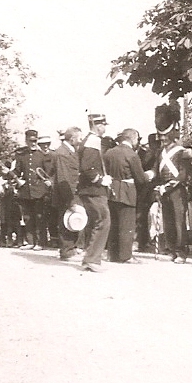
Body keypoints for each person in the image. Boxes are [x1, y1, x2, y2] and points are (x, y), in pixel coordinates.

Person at [103, 128, 154, 263]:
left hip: (112, 190)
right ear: (132, 139)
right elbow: (140, 178)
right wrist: (150, 175)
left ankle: (112, 255)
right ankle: (126, 256)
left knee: (113, 223)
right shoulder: (131, 154)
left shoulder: (109, 153)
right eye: (137, 139)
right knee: (127, 224)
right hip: (127, 191)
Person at [152, 102, 192, 264]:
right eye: (160, 136)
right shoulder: (160, 152)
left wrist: (166, 187)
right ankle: (172, 249)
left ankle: (182, 252)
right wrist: (149, 176)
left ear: (170, 135)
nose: (161, 139)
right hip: (164, 189)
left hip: (177, 190)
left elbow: (183, 175)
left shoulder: (183, 152)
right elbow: (156, 170)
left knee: (178, 221)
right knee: (167, 221)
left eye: (164, 136)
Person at [76, 113, 113, 272]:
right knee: (103, 221)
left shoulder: (89, 140)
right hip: (94, 190)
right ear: (98, 125)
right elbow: (87, 168)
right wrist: (100, 180)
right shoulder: (92, 141)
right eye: (103, 125)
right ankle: (92, 260)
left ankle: (89, 259)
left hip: (89, 189)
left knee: (96, 222)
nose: (104, 128)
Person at [14, 129, 54, 250]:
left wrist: (48, 182)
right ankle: (30, 241)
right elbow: (18, 171)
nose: (33, 143)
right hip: (26, 190)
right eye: (31, 141)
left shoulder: (42, 155)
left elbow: (48, 173)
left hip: (39, 190)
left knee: (39, 217)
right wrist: (9, 174)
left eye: (35, 141)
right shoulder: (22, 155)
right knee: (27, 216)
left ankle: (40, 242)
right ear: (26, 140)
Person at [53, 127, 84, 260]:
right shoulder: (62, 153)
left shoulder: (70, 151)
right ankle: (66, 251)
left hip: (74, 192)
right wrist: (70, 200)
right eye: (79, 138)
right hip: (67, 194)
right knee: (66, 221)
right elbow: (63, 178)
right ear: (72, 139)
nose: (81, 141)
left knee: (74, 220)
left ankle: (72, 247)